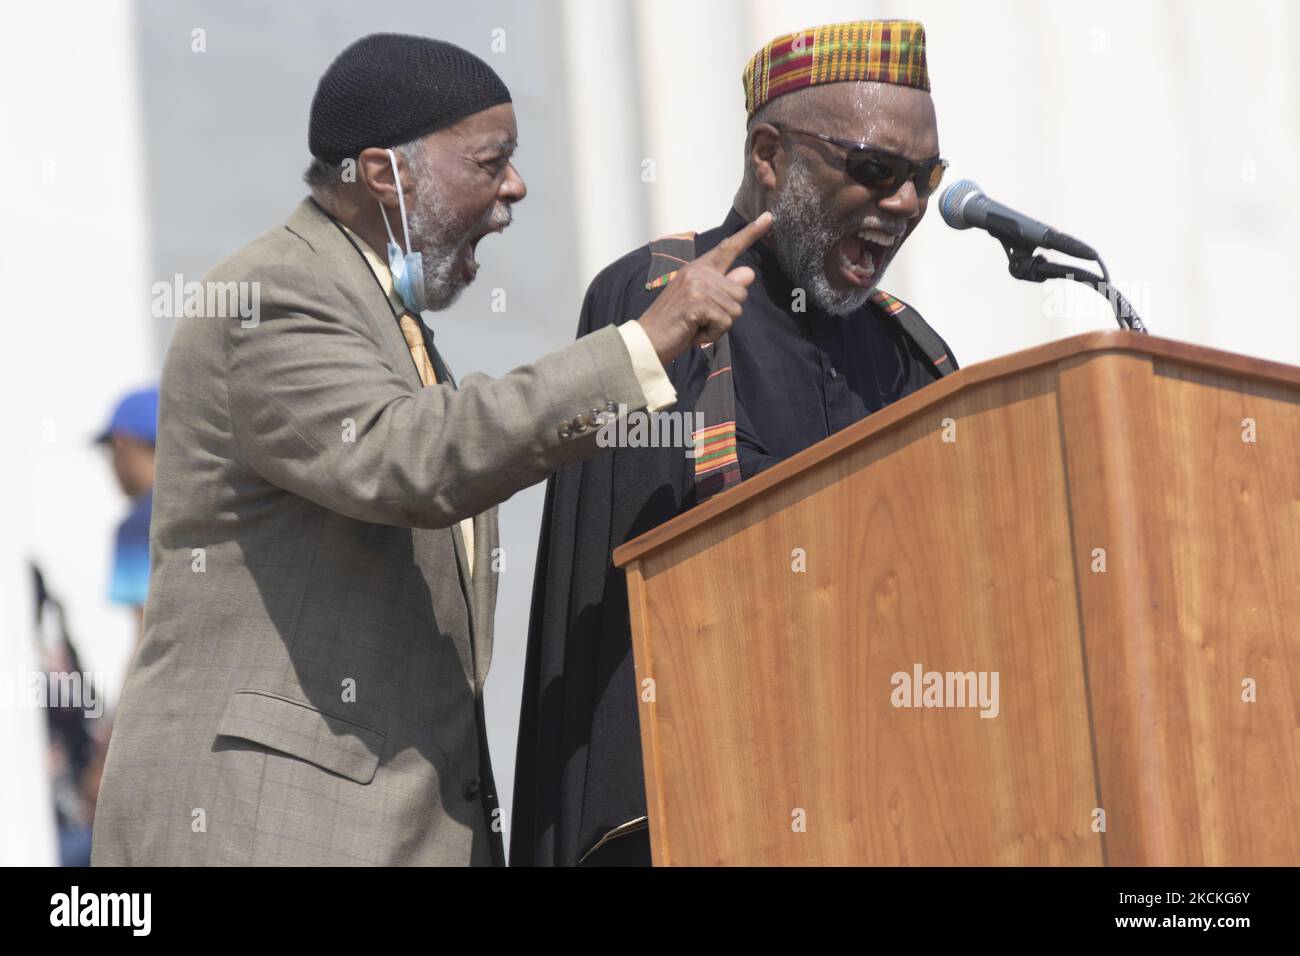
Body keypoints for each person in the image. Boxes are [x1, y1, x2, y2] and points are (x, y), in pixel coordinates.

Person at [92, 32, 769, 867]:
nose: (515, 187)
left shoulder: (386, 321)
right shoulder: (273, 295)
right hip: (267, 831)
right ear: (385, 173)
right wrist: (641, 345)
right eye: (491, 161)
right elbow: (409, 457)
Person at [513, 19, 959, 866]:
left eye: (923, 178)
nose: (903, 203)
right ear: (769, 157)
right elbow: (619, 652)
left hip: (894, 811)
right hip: (715, 814)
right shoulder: (663, 301)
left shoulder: (913, 353)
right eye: (874, 170)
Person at [96, 386, 159, 645]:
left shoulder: (137, 526)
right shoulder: (214, 505)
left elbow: (147, 639)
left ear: (122, 442)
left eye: (108, 451)